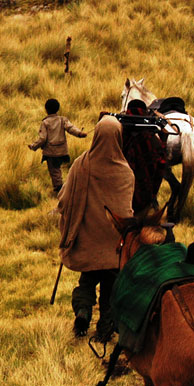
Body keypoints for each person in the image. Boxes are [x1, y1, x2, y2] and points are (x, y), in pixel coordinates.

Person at [57, 115, 134, 341]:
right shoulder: (125, 172)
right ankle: (106, 326)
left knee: (87, 281)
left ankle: (83, 311)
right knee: (111, 287)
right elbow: (126, 211)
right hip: (113, 245)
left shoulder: (81, 164)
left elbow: (64, 199)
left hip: (86, 238)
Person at [28, 98, 87, 193]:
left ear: (46, 109)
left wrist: (33, 146)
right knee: (58, 170)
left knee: (55, 172)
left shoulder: (45, 122)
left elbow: (42, 139)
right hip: (62, 151)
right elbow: (71, 128)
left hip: (51, 152)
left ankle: (60, 191)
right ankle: (64, 188)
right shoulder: (62, 120)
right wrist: (80, 133)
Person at [121, 99, 169, 214]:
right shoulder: (151, 138)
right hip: (145, 191)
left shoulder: (121, 134)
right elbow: (161, 164)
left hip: (122, 192)